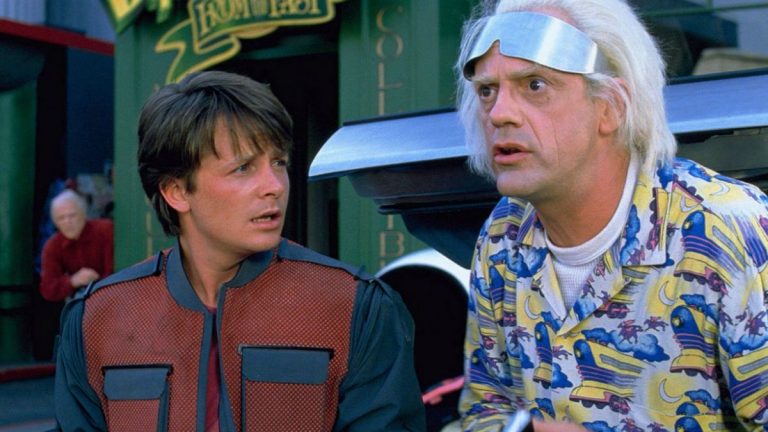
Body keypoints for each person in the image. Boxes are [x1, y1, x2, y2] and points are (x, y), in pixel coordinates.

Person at [455, 1, 768, 431]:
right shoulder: (502, 235)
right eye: (487, 90)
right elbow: (484, 411)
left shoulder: (726, 230)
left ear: (611, 106)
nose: (499, 113)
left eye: (535, 85)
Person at [53, 70, 425, 431]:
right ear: (177, 192)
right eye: (244, 168)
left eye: (279, 162)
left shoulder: (356, 309)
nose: (274, 185)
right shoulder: (96, 320)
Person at [40, 188, 114, 302]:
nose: (67, 222)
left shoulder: (105, 230)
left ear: (83, 214)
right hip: (79, 302)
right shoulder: (53, 246)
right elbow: (48, 289)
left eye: (72, 215)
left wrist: (97, 285)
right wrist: (73, 281)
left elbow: (114, 272)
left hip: (111, 296)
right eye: (61, 218)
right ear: (55, 223)